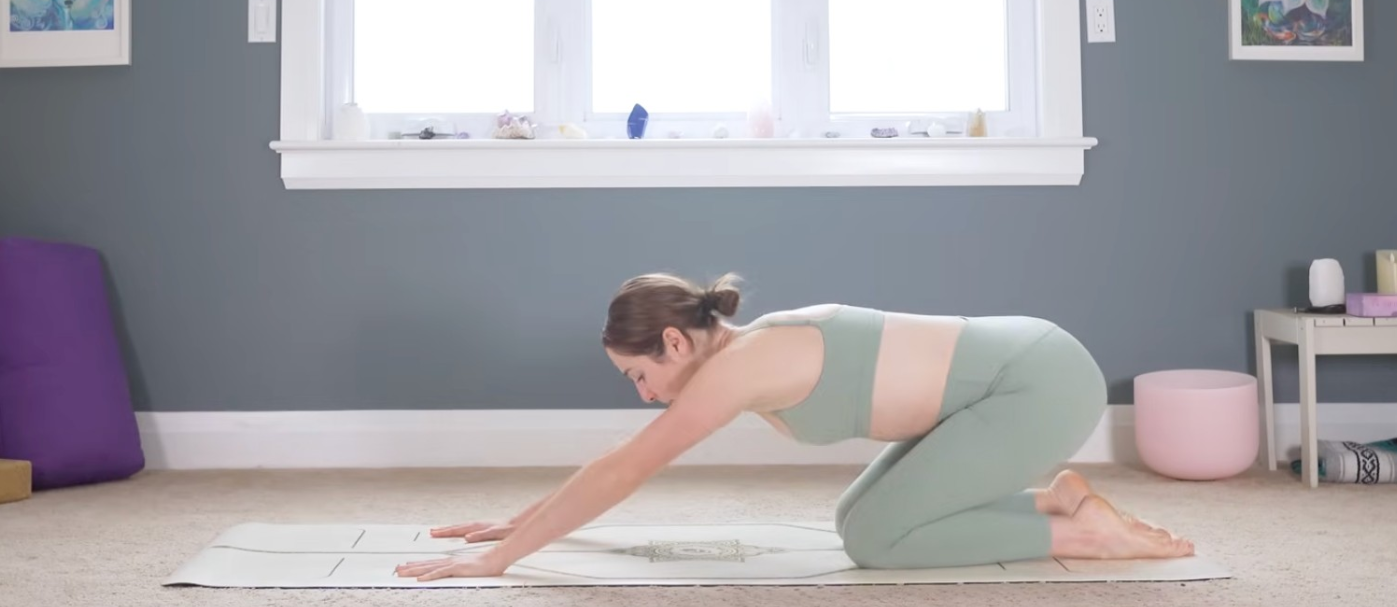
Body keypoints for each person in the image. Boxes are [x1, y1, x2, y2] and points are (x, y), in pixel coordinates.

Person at [397, 273, 1194, 582]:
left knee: (877, 541)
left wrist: (503, 560)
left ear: (675, 343)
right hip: (1013, 373)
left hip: (1040, 385)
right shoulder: (746, 351)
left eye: (640, 376)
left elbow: (626, 466)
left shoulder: (741, 367)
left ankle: (1084, 536)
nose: (644, 396)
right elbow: (625, 458)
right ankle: (1057, 503)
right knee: (856, 519)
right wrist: (521, 521)